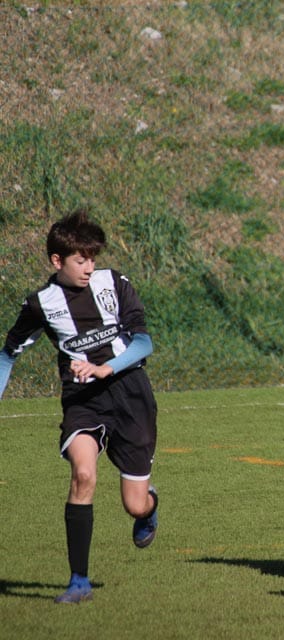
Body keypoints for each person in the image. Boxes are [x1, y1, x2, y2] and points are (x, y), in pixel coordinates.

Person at [0, 209, 159, 604]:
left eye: (93, 258)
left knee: (134, 504)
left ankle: (149, 508)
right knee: (83, 475)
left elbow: (143, 343)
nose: (89, 267)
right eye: (80, 259)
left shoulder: (114, 283)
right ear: (57, 261)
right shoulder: (41, 303)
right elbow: (7, 355)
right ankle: (78, 581)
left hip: (131, 396)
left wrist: (105, 367)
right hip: (82, 401)